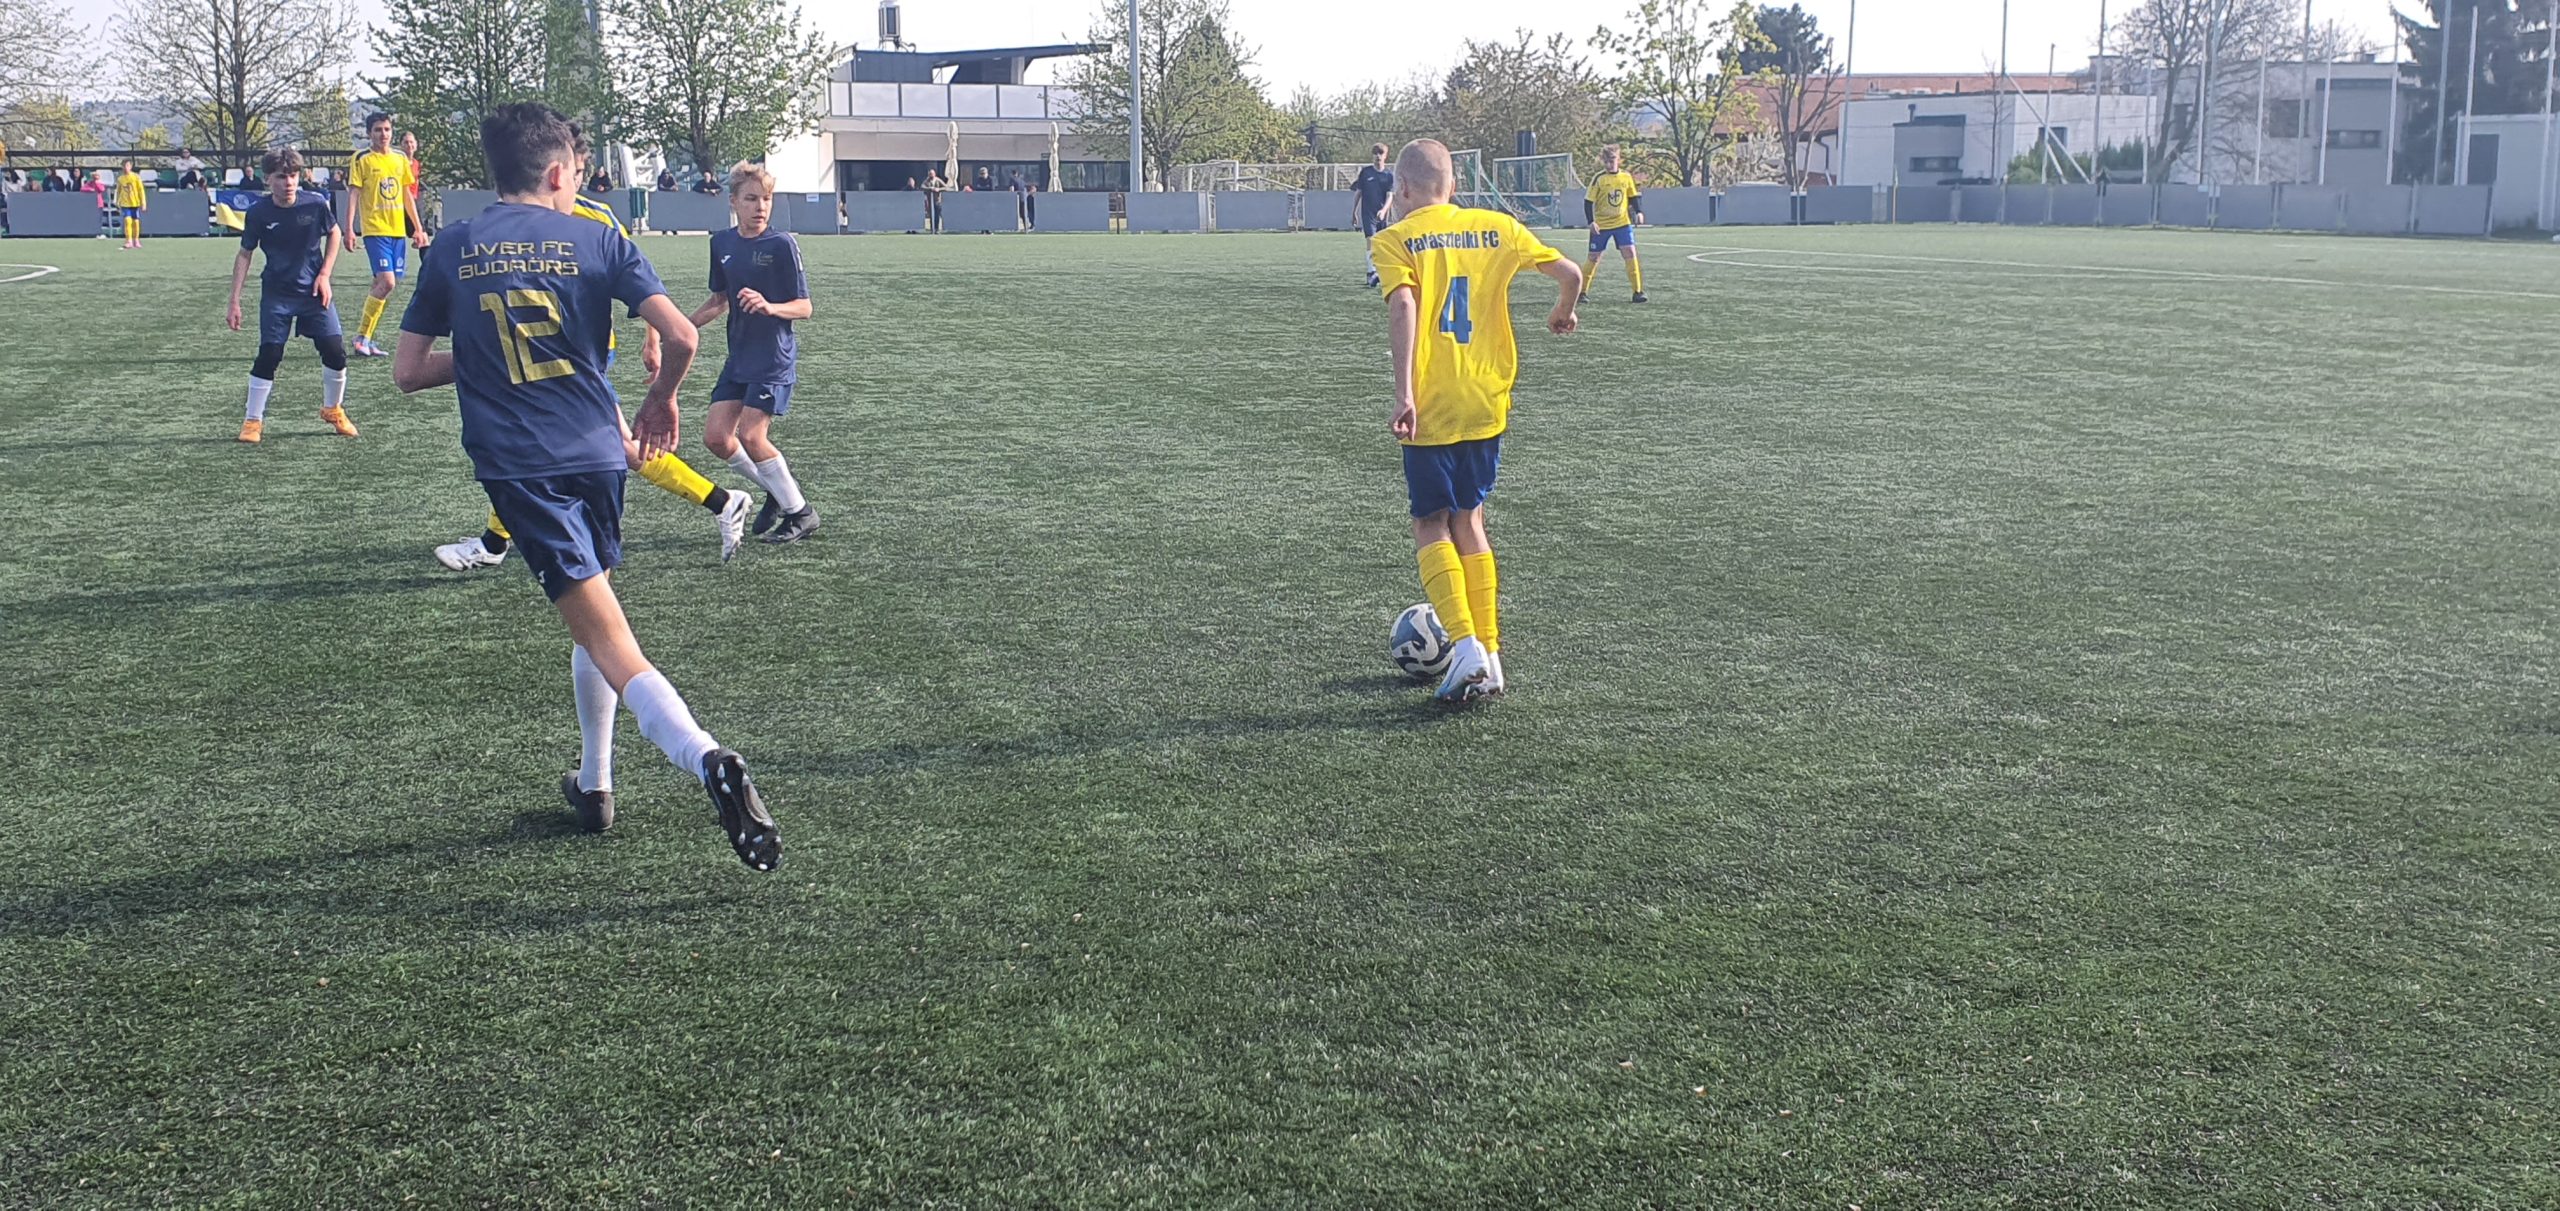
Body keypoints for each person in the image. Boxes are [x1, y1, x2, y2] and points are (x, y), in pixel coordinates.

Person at [391, 102, 781, 867]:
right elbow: (682, 335)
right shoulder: (599, 236)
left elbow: (406, 372)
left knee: (610, 639)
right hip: (601, 452)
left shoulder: (454, 246)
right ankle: (595, 783)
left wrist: (486, 355)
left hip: (521, 467)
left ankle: (705, 756)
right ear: (558, 172)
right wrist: (662, 398)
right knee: (596, 609)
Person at [434, 132, 753, 571]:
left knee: (591, 445)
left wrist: (652, 340)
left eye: (581, 171)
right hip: (532, 353)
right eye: (574, 171)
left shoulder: (595, 219)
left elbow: (641, 284)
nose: (577, 180)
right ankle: (496, 540)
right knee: (561, 442)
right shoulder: (517, 220)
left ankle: (722, 501)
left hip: (577, 355)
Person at [1369, 139, 1581, 703]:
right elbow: (1570, 273)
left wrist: (1404, 393)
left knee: (1429, 522)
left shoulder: (1394, 239)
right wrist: (1562, 310)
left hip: (1435, 401)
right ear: (1455, 186)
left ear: (1403, 188)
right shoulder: (1497, 227)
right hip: (1488, 398)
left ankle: (1462, 644)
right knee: (1470, 520)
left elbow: (1404, 304)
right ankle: (1490, 653)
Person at [690, 161, 817, 545]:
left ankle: (801, 513)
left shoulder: (781, 245)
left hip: (772, 358)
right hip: (739, 357)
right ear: (733, 202)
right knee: (716, 438)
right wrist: (681, 328)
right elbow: (719, 300)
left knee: (751, 435)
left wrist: (770, 307)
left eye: (766, 199)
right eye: (751, 199)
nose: (760, 207)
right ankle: (778, 490)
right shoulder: (722, 244)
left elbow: (804, 307)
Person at [225, 147, 355, 443]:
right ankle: (252, 421)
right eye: (282, 177)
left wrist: (324, 274)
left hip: (313, 292)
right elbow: (245, 254)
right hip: (277, 294)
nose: (289, 183)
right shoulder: (259, 213)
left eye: (294, 176)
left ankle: (333, 409)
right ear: (268, 179)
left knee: (335, 351)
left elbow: (334, 232)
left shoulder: (315, 203)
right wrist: (234, 300)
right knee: (270, 354)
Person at [345, 112, 430, 357]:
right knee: (387, 282)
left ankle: (366, 337)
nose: (383, 134)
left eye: (386, 129)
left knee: (382, 285)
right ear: (369, 133)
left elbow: (407, 195)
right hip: (375, 230)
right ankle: (362, 337)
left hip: (397, 231)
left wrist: (418, 228)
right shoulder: (361, 158)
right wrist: (349, 228)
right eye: (378, 130)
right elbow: (354, 194)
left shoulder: (400, 158)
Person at [1582, 145, 1647, 304]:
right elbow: (1588, 202)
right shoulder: (1599, 179)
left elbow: (1632, 196)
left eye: (1612, 160)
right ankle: (1582, 292)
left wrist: (1638, 212)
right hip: (1602, 226)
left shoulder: (1626, 177)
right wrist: (1591, 222)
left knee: (1630, 252)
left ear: (1619, 160)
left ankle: (1638, 292)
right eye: (1606, 161)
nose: (1609, 164)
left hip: (1622, 224)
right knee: (1594, 257)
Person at [1351, 142, 1395, 289]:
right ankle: (1371, 273)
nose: (1378, 156)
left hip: (1381, 215)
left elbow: (1390, 196)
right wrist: (1354, 211)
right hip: (1368, 213)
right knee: (1371, 240)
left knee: (1380, 244)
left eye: (1381, 153)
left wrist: (1384, 211)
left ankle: (1379, 271)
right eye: (1375, 153)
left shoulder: (1388, 176)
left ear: (1385, 156)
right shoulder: (1366, 173)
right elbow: (1358, 192)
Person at [114, 159, 148, 249]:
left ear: (131, 166)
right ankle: (129, 240)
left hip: (135, 202)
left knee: (136, 221)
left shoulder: (136, 177)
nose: (126, 168)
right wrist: (117, 202)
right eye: (124, 166)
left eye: (127, 165)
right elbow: (118, 191)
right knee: (127, 220)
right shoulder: (120, 179)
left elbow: (141, 190)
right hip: (125, 203)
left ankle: (136, 240)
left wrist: (143, 202)